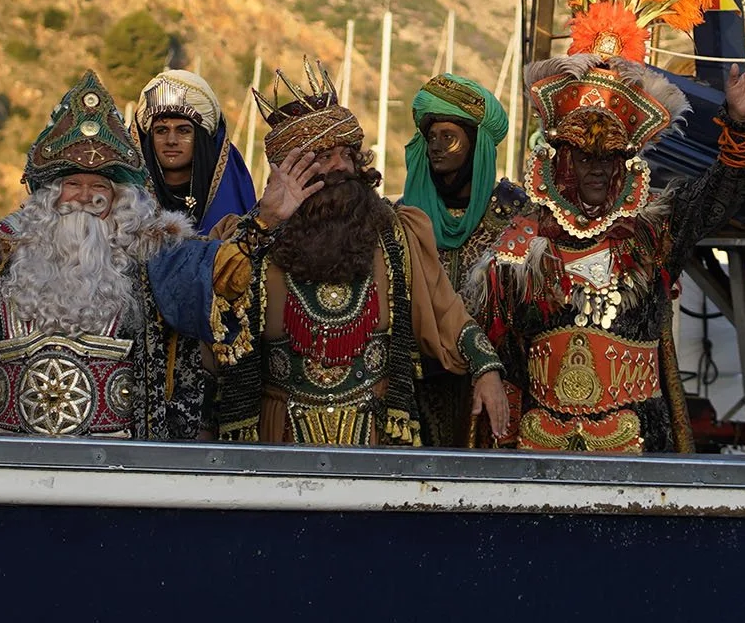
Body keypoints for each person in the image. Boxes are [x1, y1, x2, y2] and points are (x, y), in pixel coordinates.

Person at [467, 51, 745, 452]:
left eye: (610, 157)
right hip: (540, 443)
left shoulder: (654, 230)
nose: (598, 169)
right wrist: (489, 380)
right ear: (562, 161)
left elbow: (722, 194)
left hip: (641, 439)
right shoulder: (520, 247)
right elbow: (490, 339)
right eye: (586, 158)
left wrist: (739, 124)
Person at [203, 61, 509, 448]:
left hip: (377, 436)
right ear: (289, 170)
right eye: (322, 156)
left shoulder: (398, 234)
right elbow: (210, 326)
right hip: (277, 438)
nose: (340, 167)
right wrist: (263, 225)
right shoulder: (245, 239)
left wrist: (487, 370)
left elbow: (446, 312)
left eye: (347, 153)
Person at [0, 70, 216, 439]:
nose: (85, 197)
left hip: (117, 464)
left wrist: (262, 224)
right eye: (73, 185)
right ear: (50, 196)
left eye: (98, 186)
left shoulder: (149, 261)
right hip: (10, 457)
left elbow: (203, 291)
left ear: (119, 202)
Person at [399, 72, 530, 446]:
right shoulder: (405, 219)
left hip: (493, 392)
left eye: (449, 137)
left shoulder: (517, 217)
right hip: (417, 393)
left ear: (476, 145)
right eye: (431, 137)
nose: (436, 147)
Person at [131, 68, 257, 233]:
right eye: (161, 130)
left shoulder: (230, 194)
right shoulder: (127, 197)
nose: (171, 141)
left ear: (201, 138)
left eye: (183, 131)